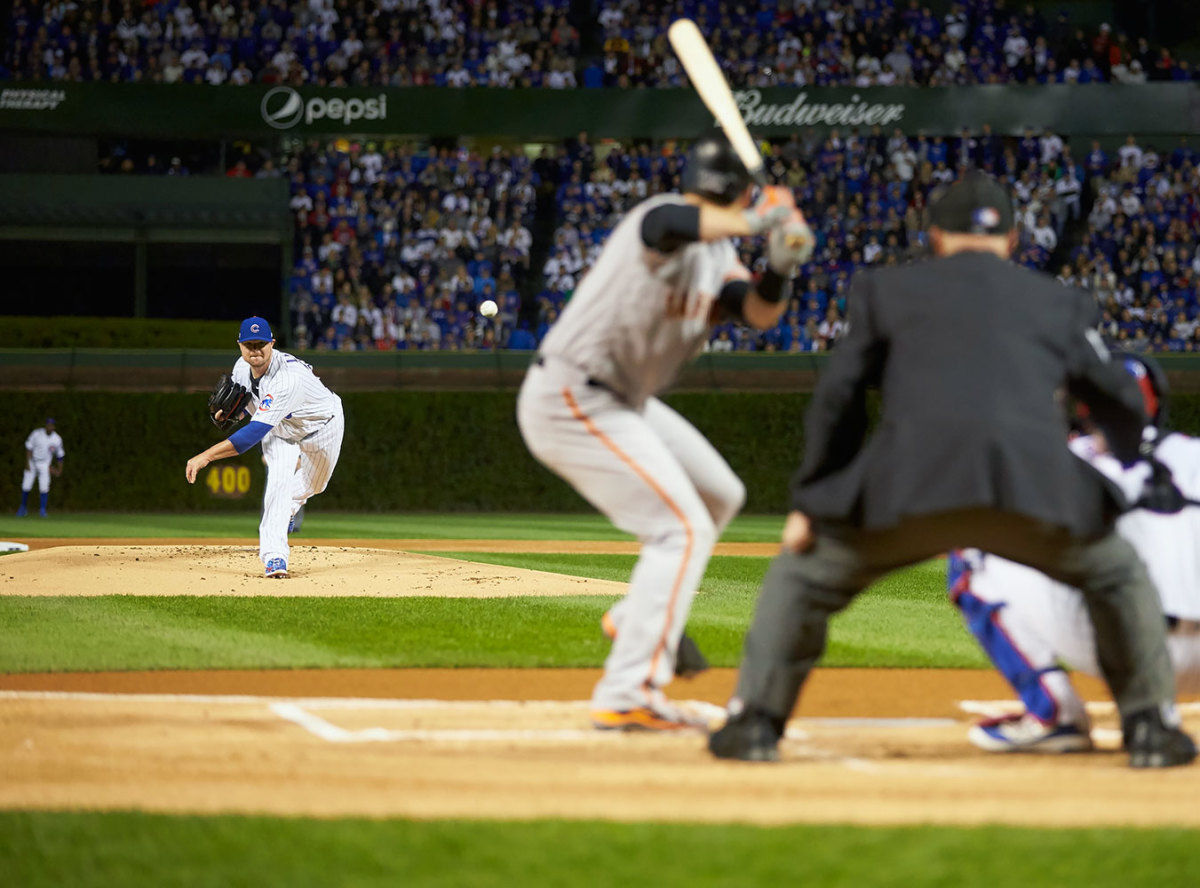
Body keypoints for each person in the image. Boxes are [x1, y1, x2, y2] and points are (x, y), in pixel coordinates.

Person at [710, 171, 1196, 769]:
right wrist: (1127, 462)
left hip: (907, 488)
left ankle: (753, 724)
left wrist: (813, 501)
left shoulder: (883, 291)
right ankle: (1150, 728)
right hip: (1036, 492)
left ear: (935, 238)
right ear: (1013, 240)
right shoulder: (1059, 302)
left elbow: (838, 399)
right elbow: (1117, 398)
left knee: (803, 577)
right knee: (1116, 576)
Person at [517, 129, 814, 731]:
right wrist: (764, 220)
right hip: (571, 392)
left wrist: (779, 268)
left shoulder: (719, 256)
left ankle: (634, 617)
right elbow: (677, 222)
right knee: (681, 530)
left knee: (720, 496)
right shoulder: (659, 219)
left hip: (624, 400)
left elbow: (757, 314)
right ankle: (628, 690)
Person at [953, 353, 1200, 752]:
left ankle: (1054, 712)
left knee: (974, 548)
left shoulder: (1074, 457)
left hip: (1131, 652)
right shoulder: (1193, 452)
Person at [185, 318, 344, 578]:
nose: (255, 351)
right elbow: (251, 407)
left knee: (316, 486)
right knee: (278, 485)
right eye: (249, 345)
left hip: (323, 426)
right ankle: (275, 557)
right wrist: (232, 415)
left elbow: (252, 435)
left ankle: (288, 509)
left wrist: (206, 456)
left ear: (272, 343)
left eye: (261, 344)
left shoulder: (287, 379)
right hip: (280, 430)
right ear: (240, 345)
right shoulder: (241, 368)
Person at [17, 418, 65, 517]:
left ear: (54, 427)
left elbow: (60, 455)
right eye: (49, 425)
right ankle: (23, 507)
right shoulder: (37, 434)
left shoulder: (57, 439)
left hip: (45, 464)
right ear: (46, 425)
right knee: (26, 485)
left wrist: (59, 470)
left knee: (44, 487)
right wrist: (27, 463)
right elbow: (29, 447)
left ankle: (42, 510)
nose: (50, 427)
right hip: (33, 462)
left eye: (52, 425)